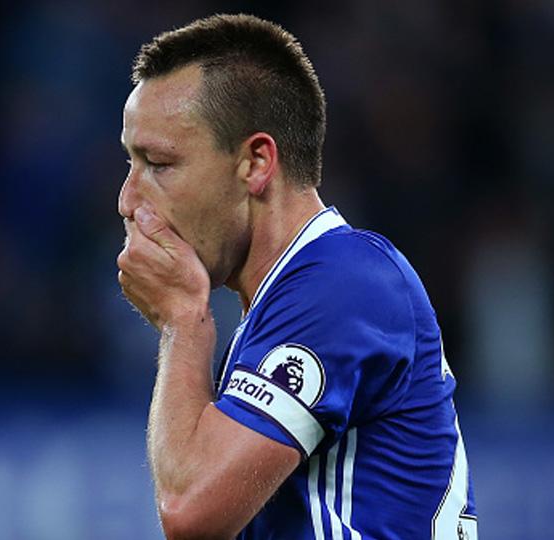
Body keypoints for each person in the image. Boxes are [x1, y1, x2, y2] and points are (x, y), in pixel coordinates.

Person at [116, 14, 477, 540]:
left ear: (256, 163)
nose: (128, 200)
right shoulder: (283, 306)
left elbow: (190, 512)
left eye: (159, 164)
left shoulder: (342, 284)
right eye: (130, 162)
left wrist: (183, 322)